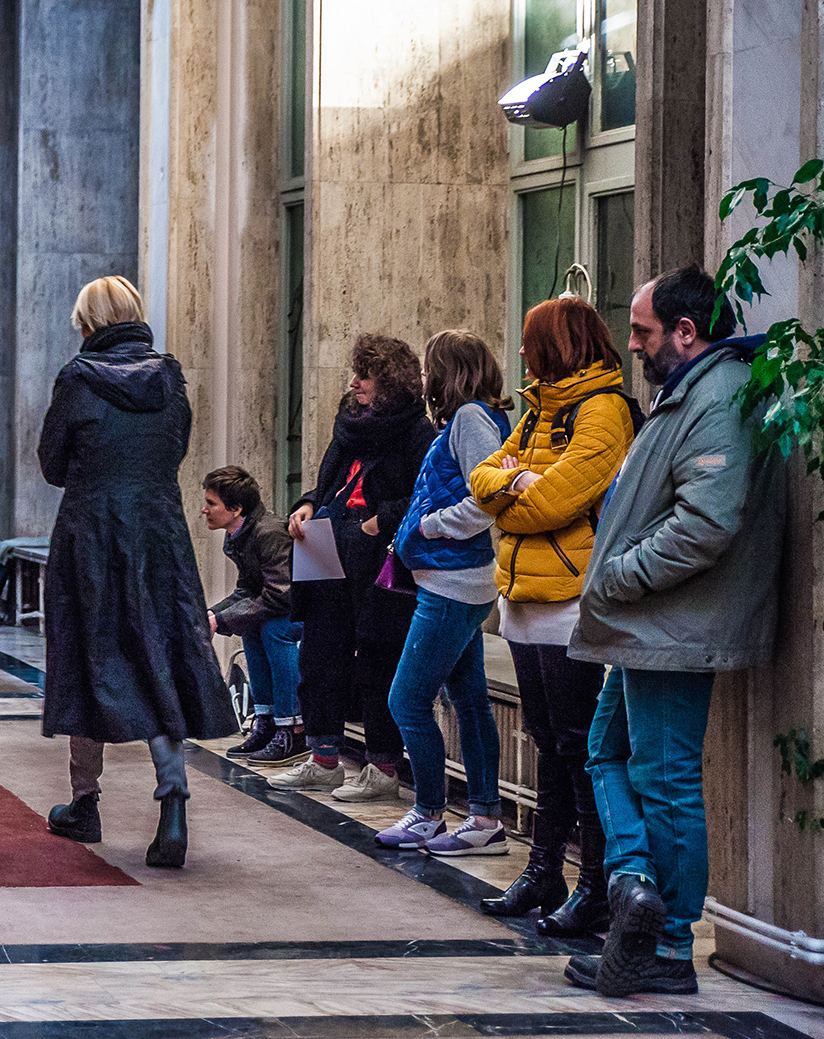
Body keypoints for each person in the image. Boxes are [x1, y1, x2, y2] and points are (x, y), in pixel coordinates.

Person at [562, 265, 786, 999]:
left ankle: (665, 943)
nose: (632, 345)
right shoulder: (689, 391)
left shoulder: (715, 397)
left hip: (669, 627)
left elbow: (707, 523)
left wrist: (619, 575)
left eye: (642, 331)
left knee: (664, 781)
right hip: (647, 627)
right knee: (606, 753)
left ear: (686, 332)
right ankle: (634, 888)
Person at [38, 276, 236, 868]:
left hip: (91, 530)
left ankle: (85, 803)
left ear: (88, 324)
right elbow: (174, 449)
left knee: (86, 652)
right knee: (158, 654)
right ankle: (172, 802)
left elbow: (51, 465)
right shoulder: (169, 376)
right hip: (157, 529)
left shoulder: (77, 378)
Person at [468, 298, 637, 928]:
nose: (519, 353)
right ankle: (544, 873)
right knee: (546, 740)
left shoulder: (604, 411)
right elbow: (482, 480)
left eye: (527, 342)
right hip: (524, 601)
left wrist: (516, 488)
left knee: (578, 746)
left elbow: (556, 505)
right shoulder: (538, 408)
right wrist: (515, 485)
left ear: (556, 344)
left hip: (570, 602)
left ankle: (593, 885)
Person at [271, 335, 435, 803]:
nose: (353, 384)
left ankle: (383, 765)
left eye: (363, 376)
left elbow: (423, 497)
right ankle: (323, 758)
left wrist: (377, 521)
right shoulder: (350, 421)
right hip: (325, 537)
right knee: (318, 651)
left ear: (387, 381)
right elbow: (327, 478)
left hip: (372, 549)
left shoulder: (416, 431)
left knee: (378, 655)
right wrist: (305, 505)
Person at [373, 331, 513, 856]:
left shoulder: (472, 419)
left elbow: (488, 499)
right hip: (457, 580)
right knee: (470, 702)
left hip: (454, 584)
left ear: (448, 372)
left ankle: (428, 812)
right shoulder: (468, 420)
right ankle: (484, 819)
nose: (425, 380)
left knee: (406, 700)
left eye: (431, 368)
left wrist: (430, 527)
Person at [202, 466, 304, 763]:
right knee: (252, 627)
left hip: (304, 610)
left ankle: (293, 727)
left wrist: (220, 620)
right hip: (283, 606)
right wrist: (211, 613)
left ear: (235, 509)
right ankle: (267, 721)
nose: (204, 510)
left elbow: (281, 594)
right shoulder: (239, 534)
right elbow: (247, 589)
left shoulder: (267, 532)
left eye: (211, 503)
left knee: (274, 630)